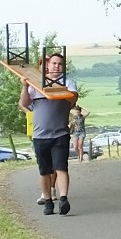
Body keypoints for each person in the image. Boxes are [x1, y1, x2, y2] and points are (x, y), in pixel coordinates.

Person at [19, 53, 79, 216]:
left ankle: (64, 199)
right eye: (54, 64)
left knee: (61, 167)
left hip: (60, 134)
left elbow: (72, 98)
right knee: (44, 171)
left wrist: (53, 89)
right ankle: (48, 200)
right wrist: (25, 86)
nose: (56, 67)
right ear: (48, 65)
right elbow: (24, 103)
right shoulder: (35, 84)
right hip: (40, 136)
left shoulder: (68, 83)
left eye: (60, 64)